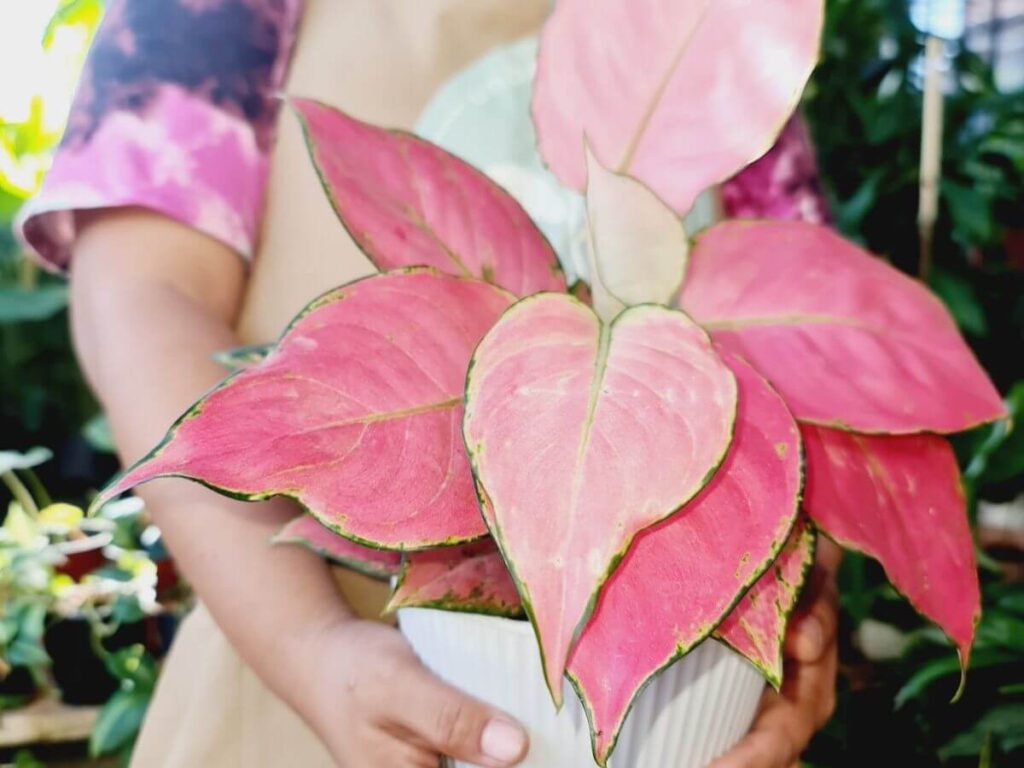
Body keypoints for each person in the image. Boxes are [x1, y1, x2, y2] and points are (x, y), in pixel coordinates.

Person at [19, 1, 840, 766]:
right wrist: (310, 646)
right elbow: (143, 293)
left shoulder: (721, 19)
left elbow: (826, 357)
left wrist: (802, 617)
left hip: (684, 715)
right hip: (301, 672)